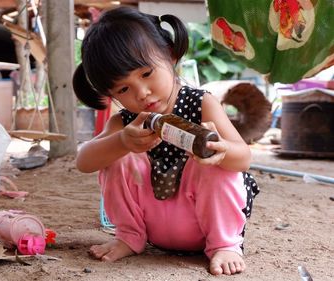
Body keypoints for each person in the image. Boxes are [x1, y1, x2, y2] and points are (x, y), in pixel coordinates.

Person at [72, 6, 259, 276]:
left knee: (216, 164)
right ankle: (128, 236)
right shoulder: (126, 122)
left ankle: (225, 244)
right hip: (152, 225)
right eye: (123, 89)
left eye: (147, 74)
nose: (143, 93)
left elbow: (244, 158)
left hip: (204, 221)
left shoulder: (201, 104)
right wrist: (122, 142)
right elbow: (84, 162)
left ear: (170, 55)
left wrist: (222, 151)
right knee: (114, 152)